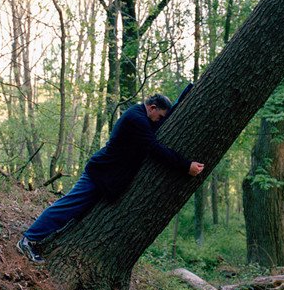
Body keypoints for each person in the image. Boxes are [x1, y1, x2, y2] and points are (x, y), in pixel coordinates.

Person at [17, 93, 205, 263]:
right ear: (153, 108)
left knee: (76, 212)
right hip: (99, 174)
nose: (159, 121)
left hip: (107, 178)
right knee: (67, 207)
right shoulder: (136, 119)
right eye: (160, 116)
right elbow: (154, 148)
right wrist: (185, 165)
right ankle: (28, 239)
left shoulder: (142, 116)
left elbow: (159, 126)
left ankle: (40, 237)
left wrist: (185, 95)